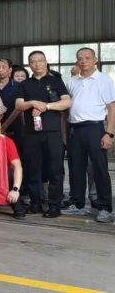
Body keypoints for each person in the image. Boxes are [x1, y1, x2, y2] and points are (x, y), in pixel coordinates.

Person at [15, 50, 71, 218]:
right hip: (31, 134)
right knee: (33, 169)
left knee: (55, 170)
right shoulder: (25, 84)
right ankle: (36, 203)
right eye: (33, 61)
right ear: (29, 65)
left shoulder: (56, 81)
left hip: (52, 133)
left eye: (40, 60)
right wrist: (33, 102)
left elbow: (67, 102)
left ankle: (54, 205)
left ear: (46, 62)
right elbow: (19, 105)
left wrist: (46, 106)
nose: (37, 64)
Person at [64, 47, 114, 223]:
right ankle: (77, 204)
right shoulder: (72, 82)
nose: (83, 61)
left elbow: (112, 108)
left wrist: (109, 133)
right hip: (74, 129)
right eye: (80, 58)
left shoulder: (104, 79)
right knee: (76, 168)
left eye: (87, 57)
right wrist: (65, 133)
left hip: (95, 129)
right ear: (77, 61)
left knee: (100, 169)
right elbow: (65, 108)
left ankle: (105, 208)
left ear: (95, 60)